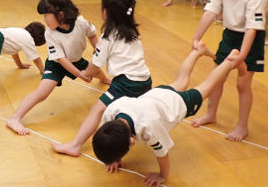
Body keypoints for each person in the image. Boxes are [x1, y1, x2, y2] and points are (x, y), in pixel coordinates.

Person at [92, 42, 237, 187]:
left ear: (131, 142)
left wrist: (162, 175)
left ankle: (230, 60)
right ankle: (197, 51)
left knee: (207, 86)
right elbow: (109, 137)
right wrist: (114, 158)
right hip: (156, 95)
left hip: (176, 104)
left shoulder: (148, 128)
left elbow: (163, 154)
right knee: (181, 81)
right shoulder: (110, 112)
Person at [52, 0, 152, 157]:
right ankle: (127, 140)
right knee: (128, 114)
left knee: (97, 110)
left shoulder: (108, 36)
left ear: (106, 12)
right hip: (145, 81)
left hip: (126, 83)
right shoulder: (132, 32)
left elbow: (95, 65)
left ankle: (75, 145)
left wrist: (85, 73)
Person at [6, 0, 111, 135]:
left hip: (76, 59)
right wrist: (80, 75)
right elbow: (62, 59)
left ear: (60, 15)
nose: (45, 20)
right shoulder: (50, 34)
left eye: (46, 16)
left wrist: (97, 48)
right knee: (42, 93)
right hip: (57, 64)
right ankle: (14, 118)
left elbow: (92, 35)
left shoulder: (81, 22)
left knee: (97, 72)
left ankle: (105, 79)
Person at [191, 0, 265, 141]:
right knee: (217, 77)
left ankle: (242, 126)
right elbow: (210, 12)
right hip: (230, 36)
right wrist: (197, 37)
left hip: (250, 40)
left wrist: (242, 55)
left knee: (243, 85)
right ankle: (210, 113)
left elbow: (252, 29)